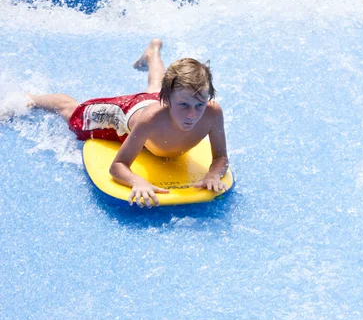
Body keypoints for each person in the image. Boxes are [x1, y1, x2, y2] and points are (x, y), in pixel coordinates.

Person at [28, 38, 229, 208]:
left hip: (156, 102)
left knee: (155, 88)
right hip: (125, 116)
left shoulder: (212, 112)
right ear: (166, 99)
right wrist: (137, 181)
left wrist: (213, 175)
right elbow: (118, 165)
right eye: (184, 105)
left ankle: (152, 53)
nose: (193, 114)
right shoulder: (149, 121)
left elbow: (221, 157)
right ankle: (30, 98)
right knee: (74, 114)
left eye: (199, 104)